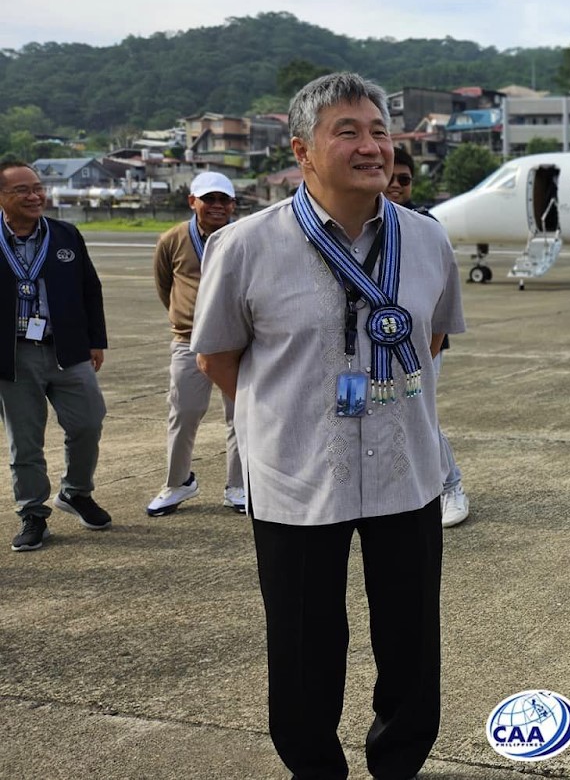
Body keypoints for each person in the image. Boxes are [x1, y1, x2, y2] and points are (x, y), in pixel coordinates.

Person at [192, 73, 465, 779]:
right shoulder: (245, 246)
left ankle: (399, 761)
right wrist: (288, 420)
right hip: (296, 475)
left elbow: (430, 339)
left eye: (379, 130)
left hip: (406, 471)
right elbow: (219, 358)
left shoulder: (428, 239)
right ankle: (315, 768)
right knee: (305, 643)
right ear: (302, 151)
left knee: (411, 638)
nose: (371, 145)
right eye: (348, 131)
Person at [0, 159, 109, 552]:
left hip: (67, 350)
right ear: (2, 197)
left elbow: (89, 288)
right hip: (14, 356)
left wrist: (96, 340)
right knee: (25, 441)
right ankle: (32, 513)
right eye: (22, 191)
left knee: (88, 423)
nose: (34, 196)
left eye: (37, 187)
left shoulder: (65, 234)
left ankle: (76, 492)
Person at [145, 171, 246, 516]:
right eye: (209, 199)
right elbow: (164, 285)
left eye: (223, 200)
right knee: (184, 413)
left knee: (240, 416)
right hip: (189, 341)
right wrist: (186, 318)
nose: (217, 206)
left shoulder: (243, 236)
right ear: (193, 202)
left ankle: (238, 485)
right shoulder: (172, 239)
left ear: (233, 204)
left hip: (238, 342)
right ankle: (177, 483)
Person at [387, 147, 469, 528]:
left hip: (420, 346)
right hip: (380, 344)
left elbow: (442, 297)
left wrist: (426, 354)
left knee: (421, 416)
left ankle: (450, 485)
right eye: (391, 176)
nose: (396, 185)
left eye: (405, 179)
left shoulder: (423, 224)